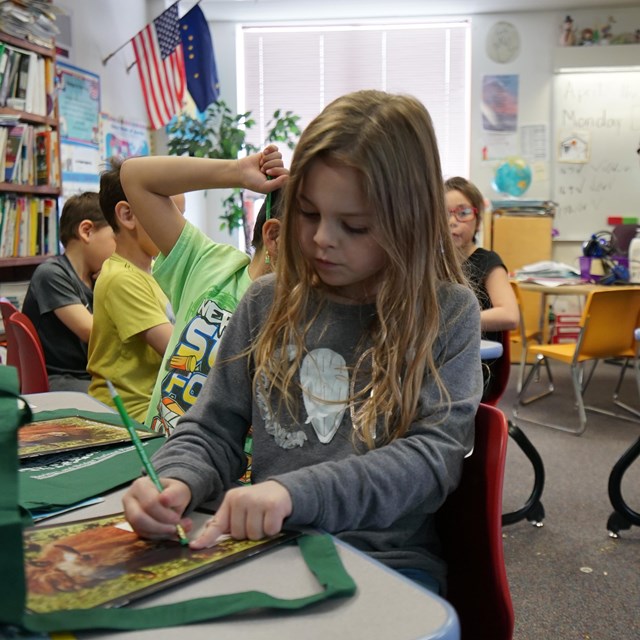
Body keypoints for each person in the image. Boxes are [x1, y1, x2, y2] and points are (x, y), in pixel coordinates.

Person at [123, 90, 483, 595]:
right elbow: (213, 428)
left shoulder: (447, 313)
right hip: (267, 547)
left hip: (384, 563)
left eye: (354, 225)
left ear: (410, 222)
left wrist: (294, 494)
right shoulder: (265, 301)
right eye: (308, 214)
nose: (320, 240)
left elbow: (431, 460)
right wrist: (174, 480)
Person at [119, 146, 286, 435]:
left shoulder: (314, 311)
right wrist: (237, 172)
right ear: (274, 236)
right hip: (158, 460)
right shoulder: (211, 265)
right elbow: (135, 176)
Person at [87, 159, 176, 422]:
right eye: (166, 213)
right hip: (131, 417)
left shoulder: (151, 273)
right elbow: (178, 350)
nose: (176, 227)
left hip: (155, 407)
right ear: (127, 216)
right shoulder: (121, 279)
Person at [22, 192, 115, 392]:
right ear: (86, 231)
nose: (119, 248)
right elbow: (92, 332)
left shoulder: (95, 278)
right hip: (63, 380)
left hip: (90, 375)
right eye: (115, 236)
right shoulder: (51, 274)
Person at [445, 176, 519, 343]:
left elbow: (510, 315)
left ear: (478, 221)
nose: (451, 222)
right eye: (444, 213)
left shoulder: (488, 262)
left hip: (478, 361)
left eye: (463, 213)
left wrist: (453, 323)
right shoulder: (432, 262)